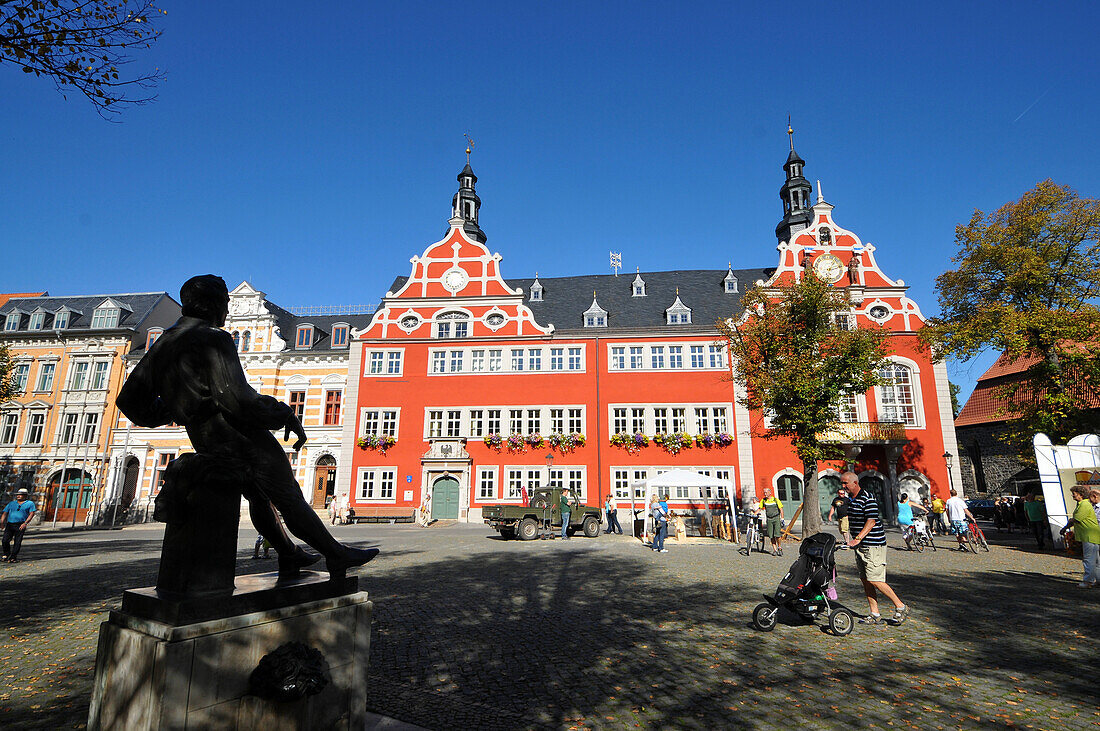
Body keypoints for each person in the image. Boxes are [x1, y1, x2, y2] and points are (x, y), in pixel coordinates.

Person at [116, 274, 378, 578]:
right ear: (211, 304)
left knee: (257, 495)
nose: (227, 311)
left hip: (206, 440)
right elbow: (238, 400)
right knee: (288, 497)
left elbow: (130, 401)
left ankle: (289, 553)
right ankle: (335, 554)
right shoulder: (213, 338)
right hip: (242, 436)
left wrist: (182, 408)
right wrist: (283, 414)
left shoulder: (164, 343)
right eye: (225, 303)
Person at [842, 472, 909, 625]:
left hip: (873, 545)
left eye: (846, 483)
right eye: (842, 483)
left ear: (855, 482)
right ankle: (874, 613)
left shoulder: (867, 498)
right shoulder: (851, 500)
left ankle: (900, 606)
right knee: (866, 580)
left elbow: (871, 521)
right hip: (861, 546)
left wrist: (857, 538)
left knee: (875, 579)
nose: (843, 487)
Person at [1060, 485, 1099, 588]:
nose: (1073, 495)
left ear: (1080, 494)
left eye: (1074, 493)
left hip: (1089, 535)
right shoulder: (1083, 504)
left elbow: (1076, 519)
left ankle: (1088, 581)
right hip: (1092, 535)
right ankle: (1098, 580)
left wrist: (1065, 527)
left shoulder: (1084, 505)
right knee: (1096, 560)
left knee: (1089, 559)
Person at [1, 488, 37, 563]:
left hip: (20, 524)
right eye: (18, 495)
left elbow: (31, 514)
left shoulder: (30, 503)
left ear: (25, 496)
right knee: (5, 540)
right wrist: (1, 522)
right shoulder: (11, 503)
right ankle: (6, 554)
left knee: (17, 541)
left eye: (20, 495)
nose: (18, 496)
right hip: (10, 524)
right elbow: (5, 513)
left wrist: (25, 523)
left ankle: (13, 557)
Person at [760, 487, 784, 556]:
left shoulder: (775, 500)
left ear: (770, 492)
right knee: (771, 535)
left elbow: (781, 509)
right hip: (769, 519)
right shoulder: (764, 500)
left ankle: (779, 547)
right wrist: (753, 514)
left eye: (766, 492)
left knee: (777, 535)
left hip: (776, 518)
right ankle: (775, 549)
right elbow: (760, 508)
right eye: (764, 493)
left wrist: (782, 519)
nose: (765, 494)